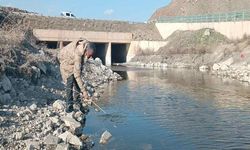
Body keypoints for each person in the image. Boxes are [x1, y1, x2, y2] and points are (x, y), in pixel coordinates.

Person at [58, 39, 95, 113]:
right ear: (87, 50)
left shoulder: (85, 47)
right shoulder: (78, 53)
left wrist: (81, 86)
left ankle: (78, 104)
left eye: (91, 55)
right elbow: (77, 75)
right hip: (65, 63)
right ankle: (69, 106)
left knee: (77, 83)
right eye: (89, 55)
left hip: (72, 61)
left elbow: (79, 70)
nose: (89, 57)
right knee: (70, 81)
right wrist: (84, 92)